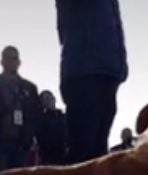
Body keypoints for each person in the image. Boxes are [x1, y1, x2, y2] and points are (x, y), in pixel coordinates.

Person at [56, 0, 128, 164]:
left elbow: (116, 27)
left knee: (99, 149)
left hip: (108, 72)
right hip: (83, 72)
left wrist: (121, 65)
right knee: (83, 148)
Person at [0, 46, 40, 172]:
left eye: (14, 58)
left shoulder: (29, 88)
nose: (11, 61)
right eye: (8, 58)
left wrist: (29, 139)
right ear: (2, 61)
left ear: (19, 62)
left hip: (21, 144)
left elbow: (35, 115)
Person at [36, 90, 69, 166]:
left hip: (66, 153)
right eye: (45, 100)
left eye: (49, 98)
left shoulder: (64, 117)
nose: (48, 101)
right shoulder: (41, 119)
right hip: (49, 156)